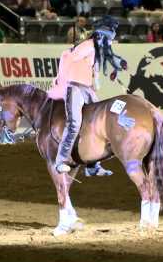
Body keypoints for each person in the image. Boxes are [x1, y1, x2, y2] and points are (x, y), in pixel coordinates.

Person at [48, 15, 128, 176]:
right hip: (75, 88)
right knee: (74, 123)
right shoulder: (88, 46)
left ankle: (92, 166)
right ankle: (60, 161)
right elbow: (71, 57)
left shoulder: (96, 48)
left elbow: (102, 62)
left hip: (86, 88)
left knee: (99, 121)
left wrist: (119, 65)